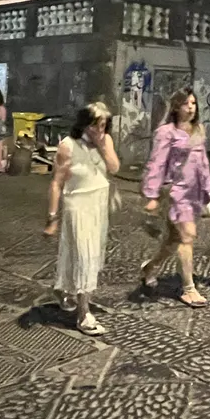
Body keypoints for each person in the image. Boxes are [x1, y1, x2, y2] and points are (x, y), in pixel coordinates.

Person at [140, 87, 210, 309]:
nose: (191, 107)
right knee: (187, 237)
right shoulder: (166, 132)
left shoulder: (198, 130)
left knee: (173, 240)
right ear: (176, 106)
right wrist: (152, 194)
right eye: (186, 103)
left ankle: (150, 267)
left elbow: (203, 164)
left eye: (193, 103)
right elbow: (157, 163)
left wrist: (209, 191)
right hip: (175, 194)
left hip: (193, 194)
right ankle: (189, 289)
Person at [46, 102, 119, 336]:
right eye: (97, 125)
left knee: (88, 255)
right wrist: (52, 217)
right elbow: (57, 182)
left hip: (98, 204)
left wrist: (101, 145)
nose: (101, 129)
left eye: (104, 125)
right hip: (77, 205)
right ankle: (84, 313)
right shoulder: (67, 146)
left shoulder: (105, 141)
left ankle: (62, 289)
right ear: (85, 123)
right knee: (84, 255)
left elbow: (115, 167)